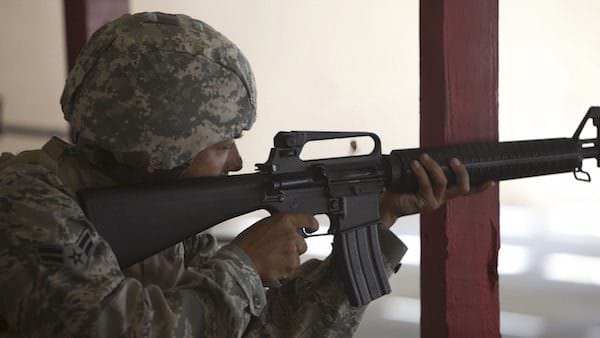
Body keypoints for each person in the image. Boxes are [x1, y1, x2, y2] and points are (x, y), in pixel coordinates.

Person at [0, 12, 491, 338]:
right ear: (158, 149)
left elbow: (265, 329)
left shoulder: (156, 223)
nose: (236, 161)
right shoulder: (23, 205)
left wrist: (378, 222)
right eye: (219, 144)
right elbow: (112, 327)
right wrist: (243, 266)